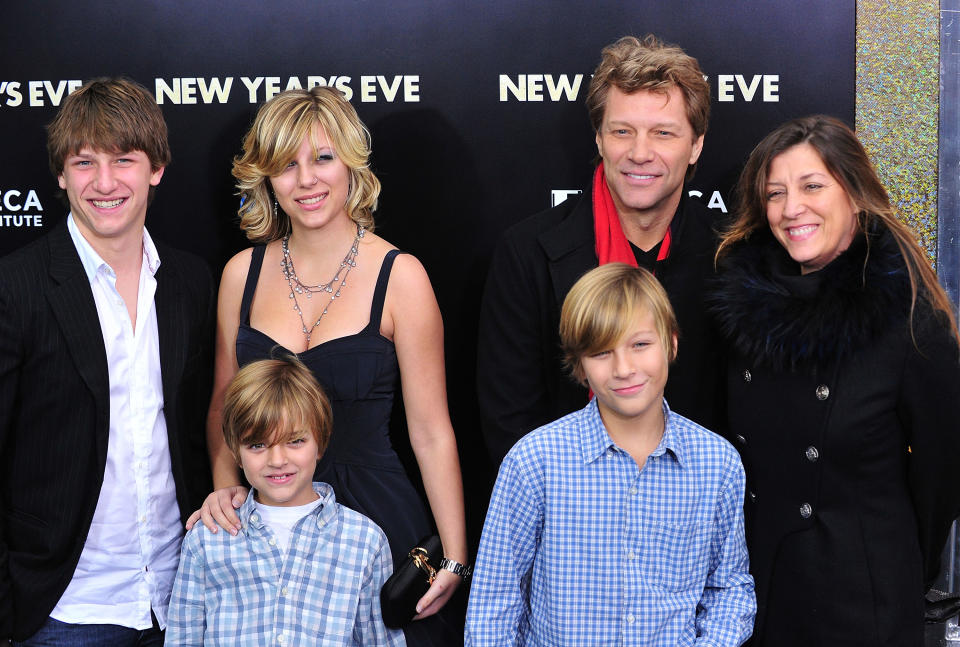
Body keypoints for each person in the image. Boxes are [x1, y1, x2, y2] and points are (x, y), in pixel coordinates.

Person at [193, 86, 467, 645]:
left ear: (351, 165)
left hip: (382, 526)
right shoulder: (240, 276)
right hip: (267, 519)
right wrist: (227, 493)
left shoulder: (402, 277)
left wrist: (456, 556)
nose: (307, 180)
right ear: (266, 177)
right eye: (287, 164)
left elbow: (431, 431)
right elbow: (225, 409)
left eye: (323, 158)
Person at [711, 115, 960, 645]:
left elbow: (943, 473)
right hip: (757, 590)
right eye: (775, 193)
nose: (791, 208)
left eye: (812, 186)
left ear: (855, 192)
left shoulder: (911, 318)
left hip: (861, 596)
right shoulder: (744, 312)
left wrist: (893, 559)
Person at [0, 77, 215, 645]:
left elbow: (202, 428)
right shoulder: (15, 287)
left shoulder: (191, 282)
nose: (104, 182)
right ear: (62, 174)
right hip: (64, 609)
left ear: (156, 168)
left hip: (183, 598)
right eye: (84, 162)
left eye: (123, 159)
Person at [466, 263, 755, 646]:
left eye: (640, 345)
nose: (624, 368)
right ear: (580, 367)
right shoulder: (535, 462)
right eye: (601, 352)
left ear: (671, 343)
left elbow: (729, 589)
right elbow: (494, 604)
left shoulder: (718, 464)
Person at [477, 34, 724, 466]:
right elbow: (510, 424)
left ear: (696, 145)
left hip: (695, 515)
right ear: (598, 139)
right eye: (622, 132)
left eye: (663, 133)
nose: (640, 153)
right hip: (568, 515)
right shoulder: (527, 253)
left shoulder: (729, 257)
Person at [167, 356, 404, 646]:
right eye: (258, 445)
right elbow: (182, 639)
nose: (277, 460)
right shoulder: (206, 539)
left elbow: (380, 641)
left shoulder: (365, 541)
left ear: (320, 441)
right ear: (235, 452)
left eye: (295, 441)